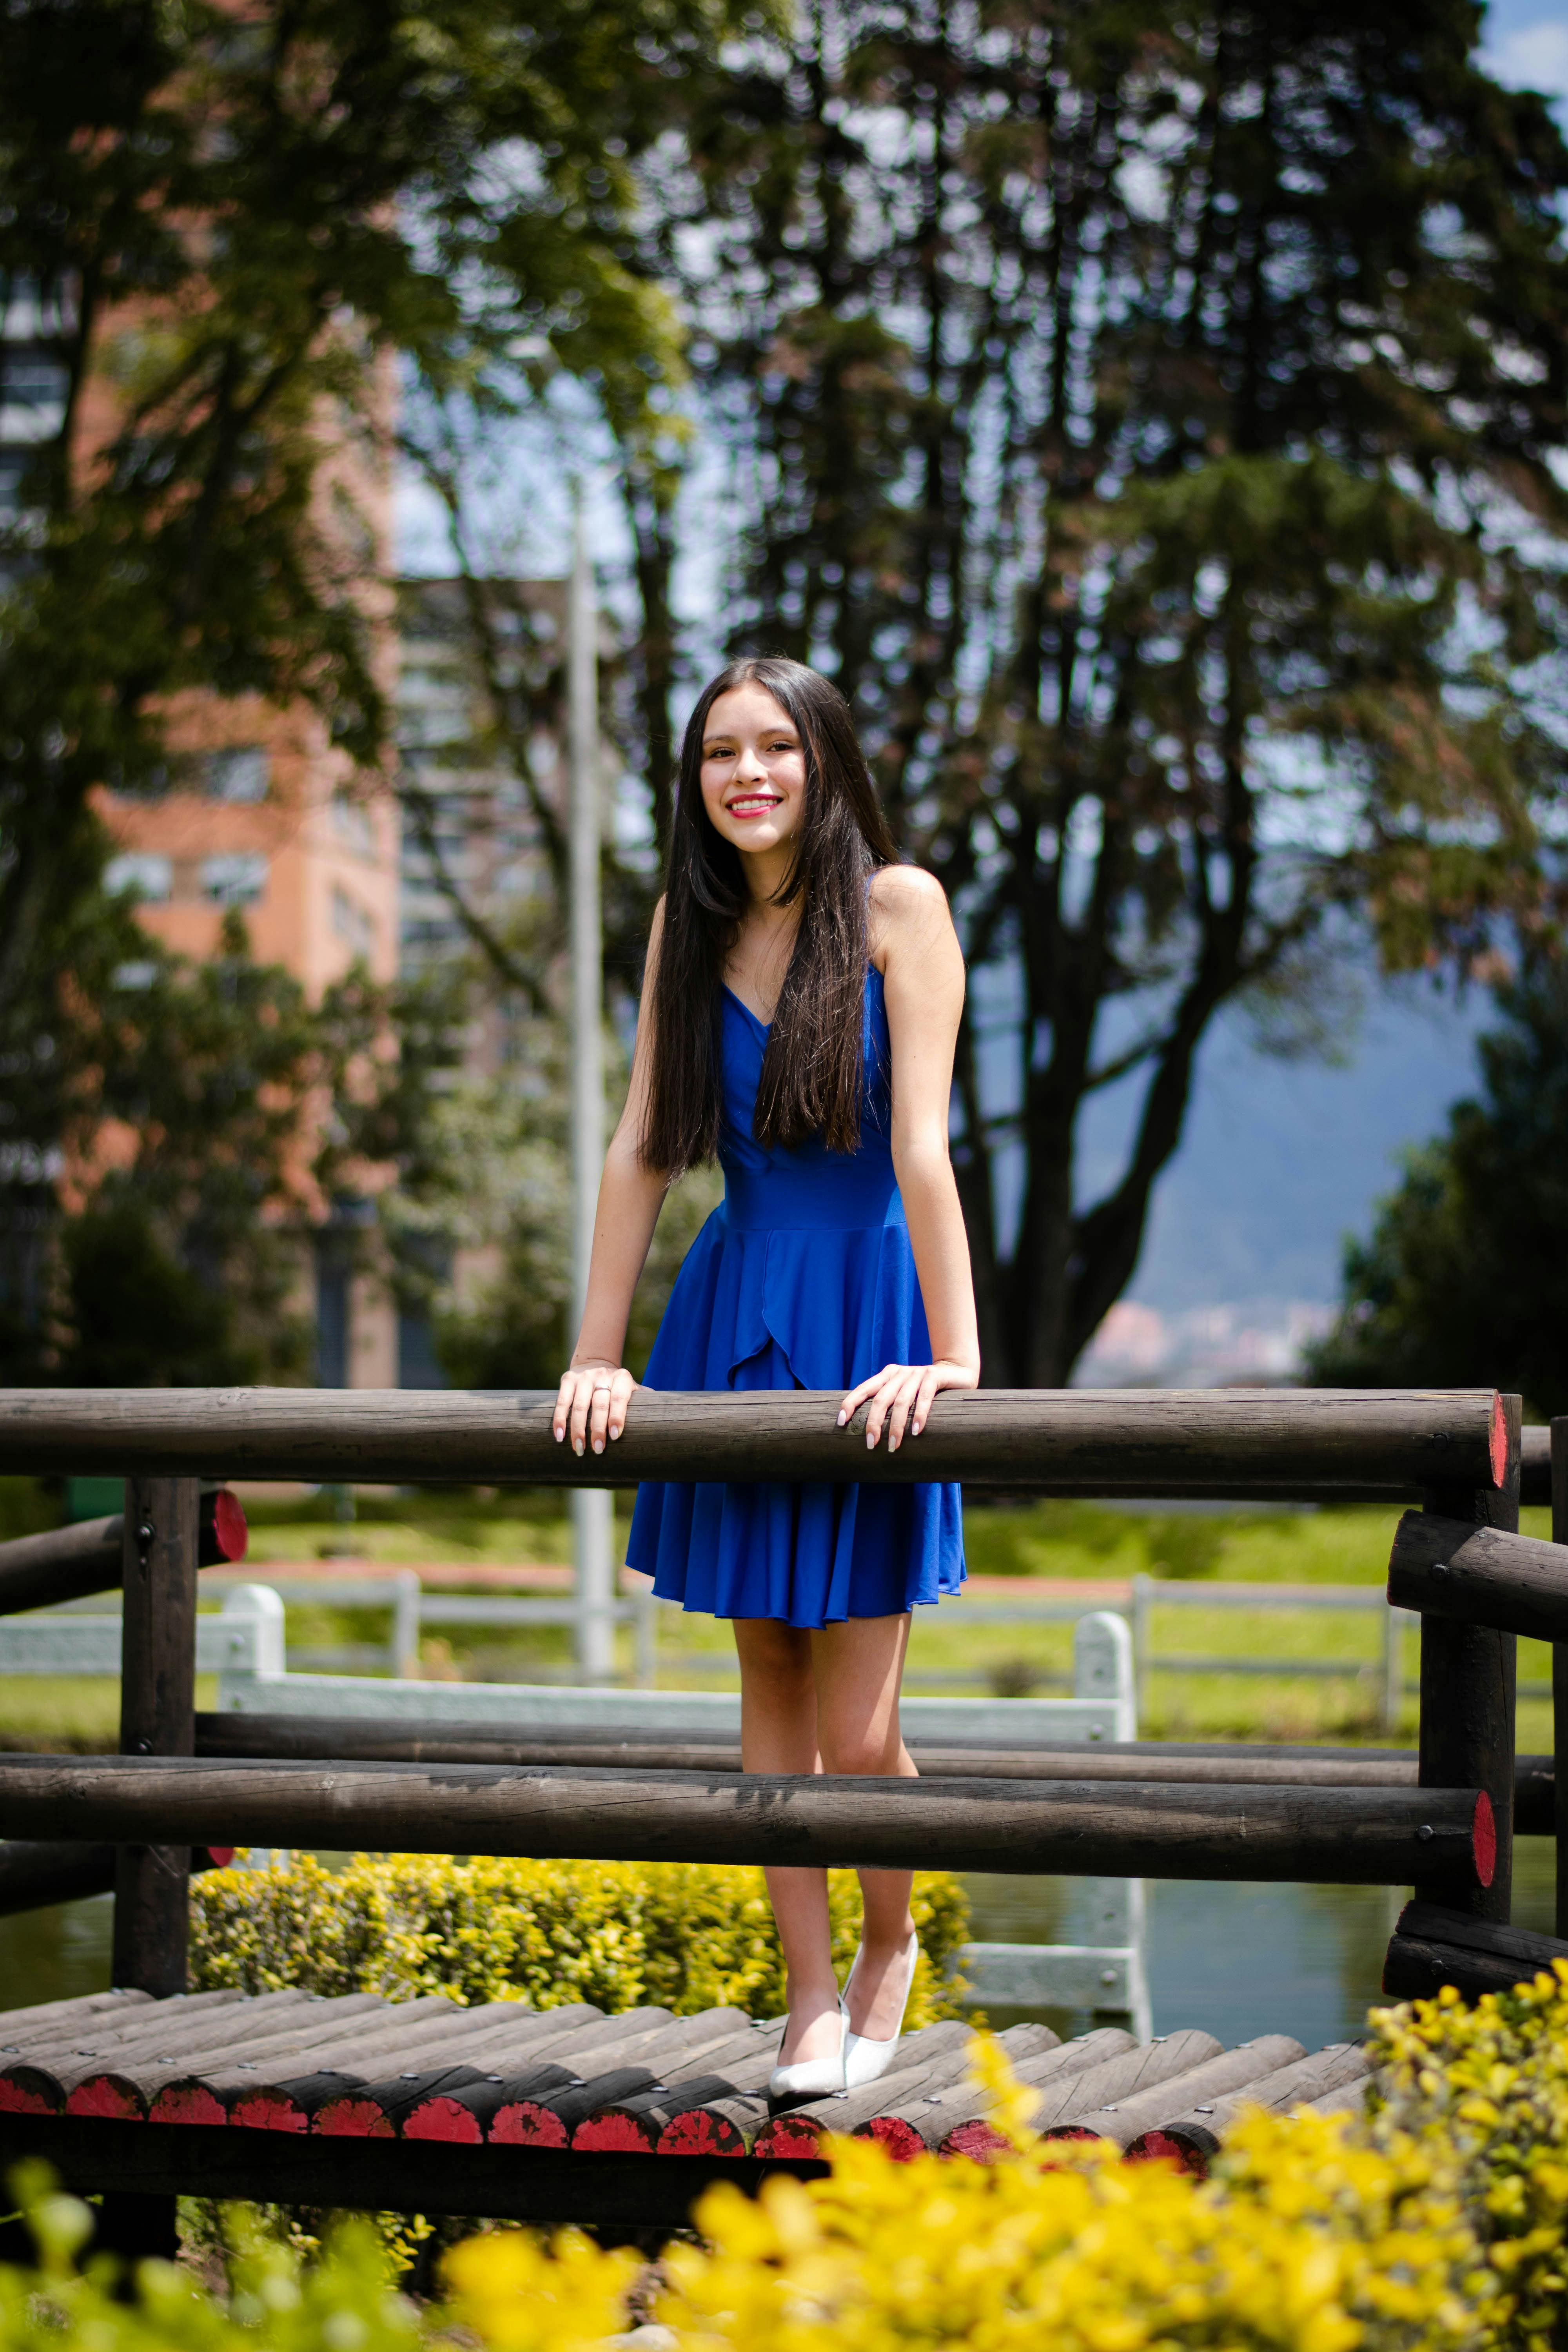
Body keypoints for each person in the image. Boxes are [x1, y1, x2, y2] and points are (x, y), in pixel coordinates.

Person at [554, 655, 979, 2103]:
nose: (748, 773)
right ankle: (804, 2001)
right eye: (720, 753)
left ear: (823, 761)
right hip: (731, 1312)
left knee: (861, 1728)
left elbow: (922, 1147)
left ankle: (887, 1946)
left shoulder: (900, 909)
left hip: (872, 1310)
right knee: (767, 1684)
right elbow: (642, 1149)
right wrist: (595, 1354)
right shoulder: (691, 921)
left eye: (775, 747)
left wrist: (956, 1352)